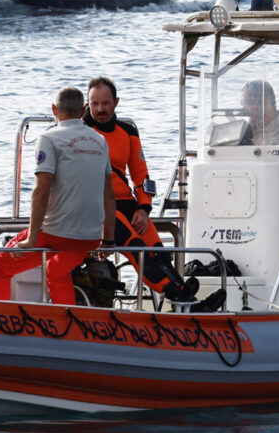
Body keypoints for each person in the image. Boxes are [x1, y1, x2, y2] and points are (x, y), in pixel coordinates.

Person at [84, 76, 225, 310]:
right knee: (138, 248)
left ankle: (186, 300)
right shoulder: (81, 133)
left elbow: (142, 177)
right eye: (94, 103)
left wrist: (144, 208)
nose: (100, 109)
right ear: (87, 104)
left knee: (157, 251)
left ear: (116, 102)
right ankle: (182, 296)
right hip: (98, 206)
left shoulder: (127, 132)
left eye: (105, 103)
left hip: (127, 204)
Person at [0, 86, 116, 305]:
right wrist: (108, 241)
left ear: (54, 110)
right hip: (90, 237)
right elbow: (109, 195)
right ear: (84, 109)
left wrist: (32, 238)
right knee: (55, 270)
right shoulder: (100, 140)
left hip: (57, 232)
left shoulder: (49, 137)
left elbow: (41, 191)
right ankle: (67, 324)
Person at [241, 80, 279, 145]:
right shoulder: (247, 127)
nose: (243, 109)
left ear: (263, 103)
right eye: (242, 103)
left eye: (247, 103)